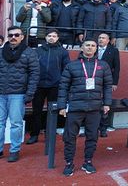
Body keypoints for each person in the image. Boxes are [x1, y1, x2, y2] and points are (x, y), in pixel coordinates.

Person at [58, 39, 113, 176]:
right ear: (82, 48)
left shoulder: (103, 65)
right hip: (76, 107)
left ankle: (88, 162)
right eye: (87, 45)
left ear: (96, 49)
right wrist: (62, 106)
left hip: (94, 108)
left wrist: (107, 103)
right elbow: (63, 87)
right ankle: (69, 163)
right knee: (70, 137)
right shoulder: (72, 65)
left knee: (92, 136)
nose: (90, 48)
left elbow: (107, 86)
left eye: (93, 46)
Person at [0, 27, 39, 162]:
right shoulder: (1, 52)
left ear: (22, 37)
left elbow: (35, 74)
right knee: (0, 123)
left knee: (16, 124)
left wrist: (30, 93)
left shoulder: (29, 53)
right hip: (1, 94)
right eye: (10, 35)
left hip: (18, 94)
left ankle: (14, 150)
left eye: (17, 35)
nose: (13, 37)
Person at [28, 29, 69, 144]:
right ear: (45, 37)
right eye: (49, 35)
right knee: (37, 111)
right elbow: (32, 67)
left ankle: (49, 134)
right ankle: (34, 134)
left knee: (52, 111)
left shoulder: (63, 52)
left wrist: (61, 81)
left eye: (54, 36)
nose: (52, 38)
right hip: (39, 85)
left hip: (55, 85)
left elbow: (66, 69)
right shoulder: (37, 51)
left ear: (58, 38)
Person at [96, 33, 120, 137]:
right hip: (92, 80)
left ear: (108, 40)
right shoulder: (92, 48)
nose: (101, 40)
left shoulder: (114, 50)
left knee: (105, 104)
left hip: (106, 81)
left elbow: (117, 67)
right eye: (99, 38)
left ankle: (103, 128)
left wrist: (114, 82)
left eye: (103, 38)